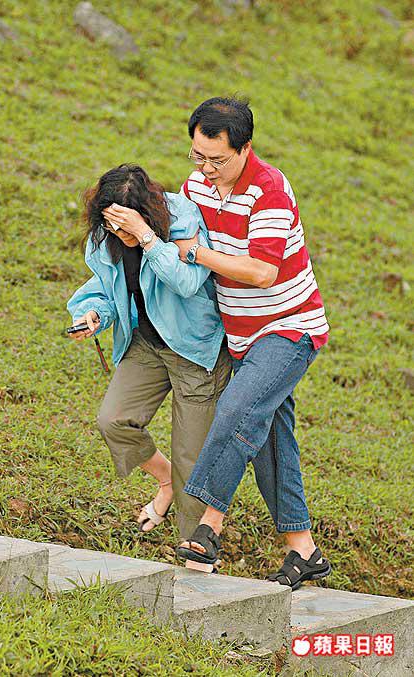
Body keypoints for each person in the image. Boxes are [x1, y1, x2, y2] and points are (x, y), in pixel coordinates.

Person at [173, 97, 332, 590]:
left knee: (238, 410)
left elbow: (262, 271)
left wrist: (197, 254)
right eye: (198, 156)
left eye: (217, 160)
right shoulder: (196, 186)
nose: (206, 168)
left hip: (290, 328)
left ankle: (208, 526)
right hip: (241, 336)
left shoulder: (270, 191)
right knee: (270, 439)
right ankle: (303, 549)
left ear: (245, 149)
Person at [67, 164, 231, 540]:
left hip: (194, 349)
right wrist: (94, 314)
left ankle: (194, 548)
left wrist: (146, 237)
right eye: (112, 227)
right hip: (146, 343)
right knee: (114, 421)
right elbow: (106, 286)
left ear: (148, 214)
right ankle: (167, 481)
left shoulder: (183, 218)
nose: (118, 235)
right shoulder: (106, 232)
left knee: (191, 459)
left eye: (125, 226)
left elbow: (187, 282)